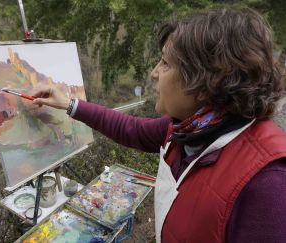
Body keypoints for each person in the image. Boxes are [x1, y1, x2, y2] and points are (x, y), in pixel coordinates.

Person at [32, 8, 286, 243]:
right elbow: (132, 129)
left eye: (166, 63)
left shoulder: (267, 184)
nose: (154, 72)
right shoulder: (188, 129)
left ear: (205, 81)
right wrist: (69, 104)